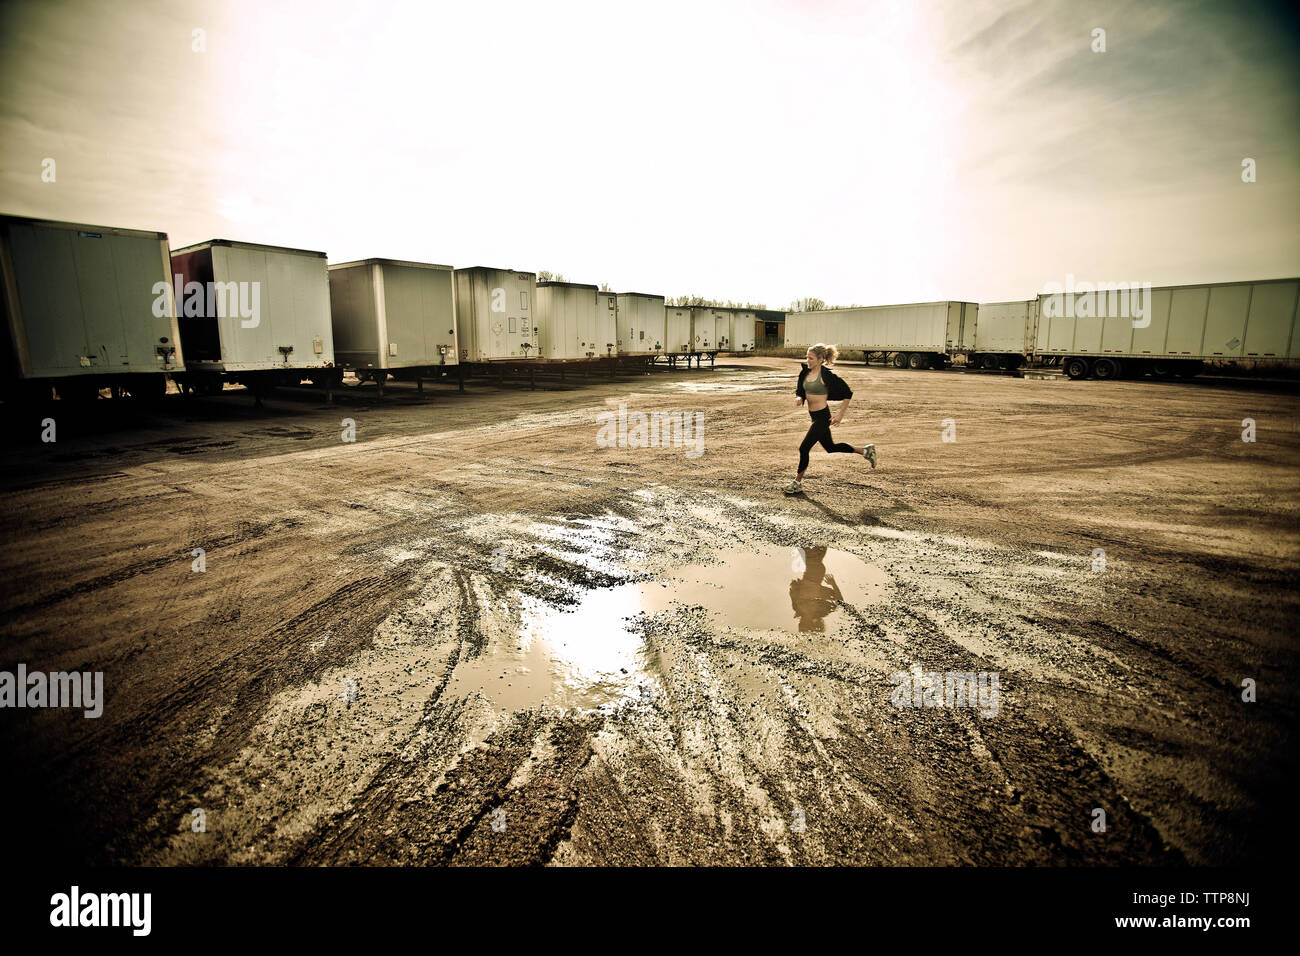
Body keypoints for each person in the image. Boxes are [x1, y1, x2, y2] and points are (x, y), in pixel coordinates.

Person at [785, 343, 875, 495]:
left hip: (822, 417)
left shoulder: (827, 376)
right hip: (813, 417)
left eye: (811, 358)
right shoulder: (804, 373)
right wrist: (799, 397)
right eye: (807, 357)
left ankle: (797, 482)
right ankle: (866, 451)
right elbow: (800, 390)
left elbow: (848, 393)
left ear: (820, 359)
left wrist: (840, 415)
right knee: (830, 447)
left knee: (804, 448)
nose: (808, 361)